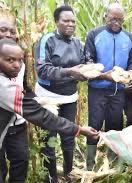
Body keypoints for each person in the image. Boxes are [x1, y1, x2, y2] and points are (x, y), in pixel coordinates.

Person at [0, 38, 99, 182]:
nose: (17, 65)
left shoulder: (14, 72)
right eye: (10, 60)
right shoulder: (3, 86)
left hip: (10, 125)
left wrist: (35, 100)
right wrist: (80, 130)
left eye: (20, 60)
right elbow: (44, 117)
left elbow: (24, 90)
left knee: (20, 161)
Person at [34, 5, 87, 182]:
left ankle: (69, 173)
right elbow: (42, 70)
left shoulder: (77, 43)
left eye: (73, 21)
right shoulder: (47, 40)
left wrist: (89, 69)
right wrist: (70, 72)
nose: (70, 24)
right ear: (57, 22)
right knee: (49, 139)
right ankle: (50, 177)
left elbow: (84, 64)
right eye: (66, 21)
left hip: (69, 97)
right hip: (48, 97)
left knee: (69, 136)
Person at [84, 3, 132, 170]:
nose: (116, 22)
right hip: (98, 89)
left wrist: (131, 73)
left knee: (115, 125)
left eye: (120, 19)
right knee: (95, 124)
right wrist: (104, 75)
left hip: (118, 91)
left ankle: (113, 164)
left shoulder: (128, 37)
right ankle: (90, 166)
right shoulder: (94, 34)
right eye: (113, 18)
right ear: (106, 16)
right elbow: (87, 61)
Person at [0, 8, 30, 183]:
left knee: (21, 161)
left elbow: (24, 87)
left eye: (12, 31)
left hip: (17, 121)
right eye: (3, 30)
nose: (8, 34)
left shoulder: (18, 60)